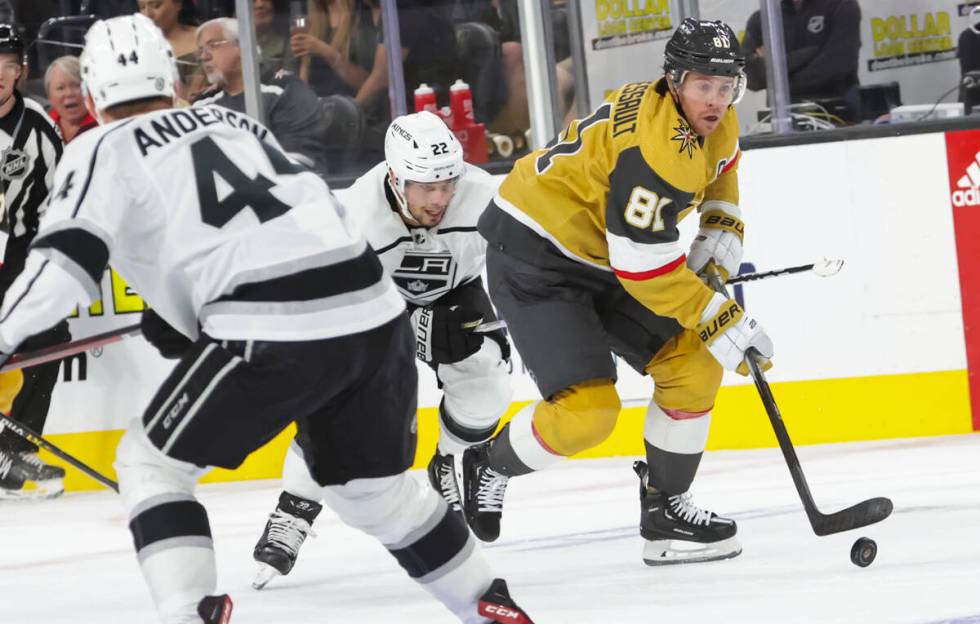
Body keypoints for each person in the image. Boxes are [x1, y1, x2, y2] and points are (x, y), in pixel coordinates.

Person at [0, 13, 532, 623]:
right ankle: (486, 601)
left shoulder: (99, 145)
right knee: (373, 494)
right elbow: (286, 210)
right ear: (170, 83)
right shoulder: (230, 121)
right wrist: (186, 311)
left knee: (151, 464)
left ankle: (187, 612)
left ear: (92, 95)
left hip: (270, 319)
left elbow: (60, 269)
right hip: (374, 312)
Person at [467, 18, 775, 566]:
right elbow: (645, 271)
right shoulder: (654, 152)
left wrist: (721, 222)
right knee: (589, 414)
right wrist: (716, 314)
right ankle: (485, 463)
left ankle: (665, 510)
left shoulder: (712, 119)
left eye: (726, 86)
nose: (716, 99)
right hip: (536, 257)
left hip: (605, 252)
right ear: (675, 80)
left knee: (695, 364)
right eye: (704, 84)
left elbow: (721, 165)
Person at [249, 110, 512, 590]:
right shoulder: (355, 217)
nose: (440, 198)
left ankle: (448, 463)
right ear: (395, 177)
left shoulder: (486, 198)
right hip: (373, 305)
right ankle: (293, 513)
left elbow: (526, 257)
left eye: (448, 183)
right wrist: (409, 324)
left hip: (455, 296)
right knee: (337, 408)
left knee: (489, 373)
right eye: (425, 187)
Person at [0, 22, 69, 500]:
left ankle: (15, 448)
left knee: (49, 344)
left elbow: (62, 197)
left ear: (21, 71)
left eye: (7, 65)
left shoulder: (38, 127)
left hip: (19, 251)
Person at [194, 17, 328, 173]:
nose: (204, 57)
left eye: (213, 45)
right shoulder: (203, 104)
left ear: (242, 46)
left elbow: (298, 162)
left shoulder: (286, 90)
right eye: (201, 50)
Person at [742, 0, 862, 119]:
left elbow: (838, 65)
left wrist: (777, 77)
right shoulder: (763, 19)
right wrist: (806, 55)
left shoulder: (842, 5)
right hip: (782, 121)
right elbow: (748, 76)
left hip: (838, 117)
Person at [293, 0, 376, 99]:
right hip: (317, 109)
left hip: (350, 108)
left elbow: (370, 84)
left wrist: (327, 52)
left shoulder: (362, 18)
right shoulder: (312, 24)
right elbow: (304, 82)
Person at [138, 0, 207, 101]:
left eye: (156, 6)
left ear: (178, 4)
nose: (148, 14)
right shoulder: (139, 48)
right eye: (142, 7)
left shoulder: (204, 36)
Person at [45, 55, 98, 143]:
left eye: (77, 85)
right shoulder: (42, 125)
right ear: (49, 96)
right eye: (60, 88)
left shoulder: (104, 125)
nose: (69, 93)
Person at [253, 0, 298, 79]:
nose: (260, 5)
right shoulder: (231, 45)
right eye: (253, 1)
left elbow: (289, 84)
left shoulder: (287, 46)